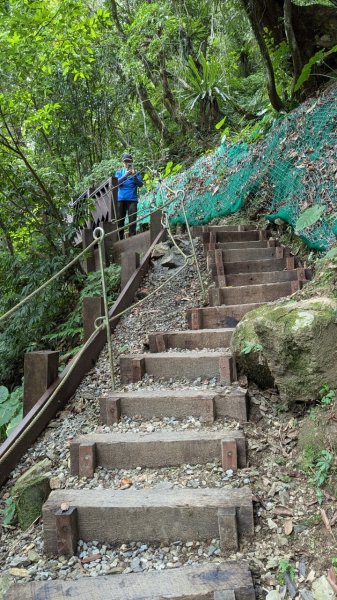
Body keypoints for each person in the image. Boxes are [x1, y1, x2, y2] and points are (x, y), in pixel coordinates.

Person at [115, 153, 143, 239]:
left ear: (132, 162)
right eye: (125, 161)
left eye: (129, 161)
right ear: (123, 163)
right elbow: (116, 183)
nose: (127, 163)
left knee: (132, 221)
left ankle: (132, 239)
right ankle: (120, 240)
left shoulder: (136, 172)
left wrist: (134, 176)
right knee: (120, 221)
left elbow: (140, 184)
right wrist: (125, 175)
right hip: (121, 199)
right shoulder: (119, 172)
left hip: (132, 200)